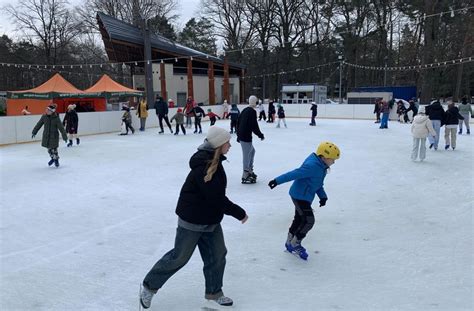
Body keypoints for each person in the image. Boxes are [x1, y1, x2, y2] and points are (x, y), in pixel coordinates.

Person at [139, 126, 248, 309]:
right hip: (192, 221)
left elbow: (215, 199)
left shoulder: (215, 162)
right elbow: (216, 198)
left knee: (217, 255)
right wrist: (239, 212)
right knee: (179, 257)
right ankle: (149, 287)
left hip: (210, 220)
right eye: (227, 142)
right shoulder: (204, 166)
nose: (230, 145)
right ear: (219, 145)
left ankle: (214, 292)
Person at [268, 141, 340, 260]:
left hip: (305, 196)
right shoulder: (312, 166)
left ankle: (289, 242)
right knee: (308, 220)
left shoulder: (322, 166)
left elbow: (317, 183)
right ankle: (295, 243)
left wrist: (323, 196)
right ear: (324, 156)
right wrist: (276, 181)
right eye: (332, 159)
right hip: (299, 196)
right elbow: (294, 174)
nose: (334, 162)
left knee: (299, 219)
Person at [237, 95, 264, 184]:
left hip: (242, 136)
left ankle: (249, 170)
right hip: (245, 137)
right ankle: (245, 174)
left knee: (252, 151)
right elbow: (254, 126)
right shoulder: (252, 112)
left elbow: (238, 122)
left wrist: (238, 135)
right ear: (255, 102)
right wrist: (260, 135)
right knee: (247, 155)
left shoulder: (245, 110)